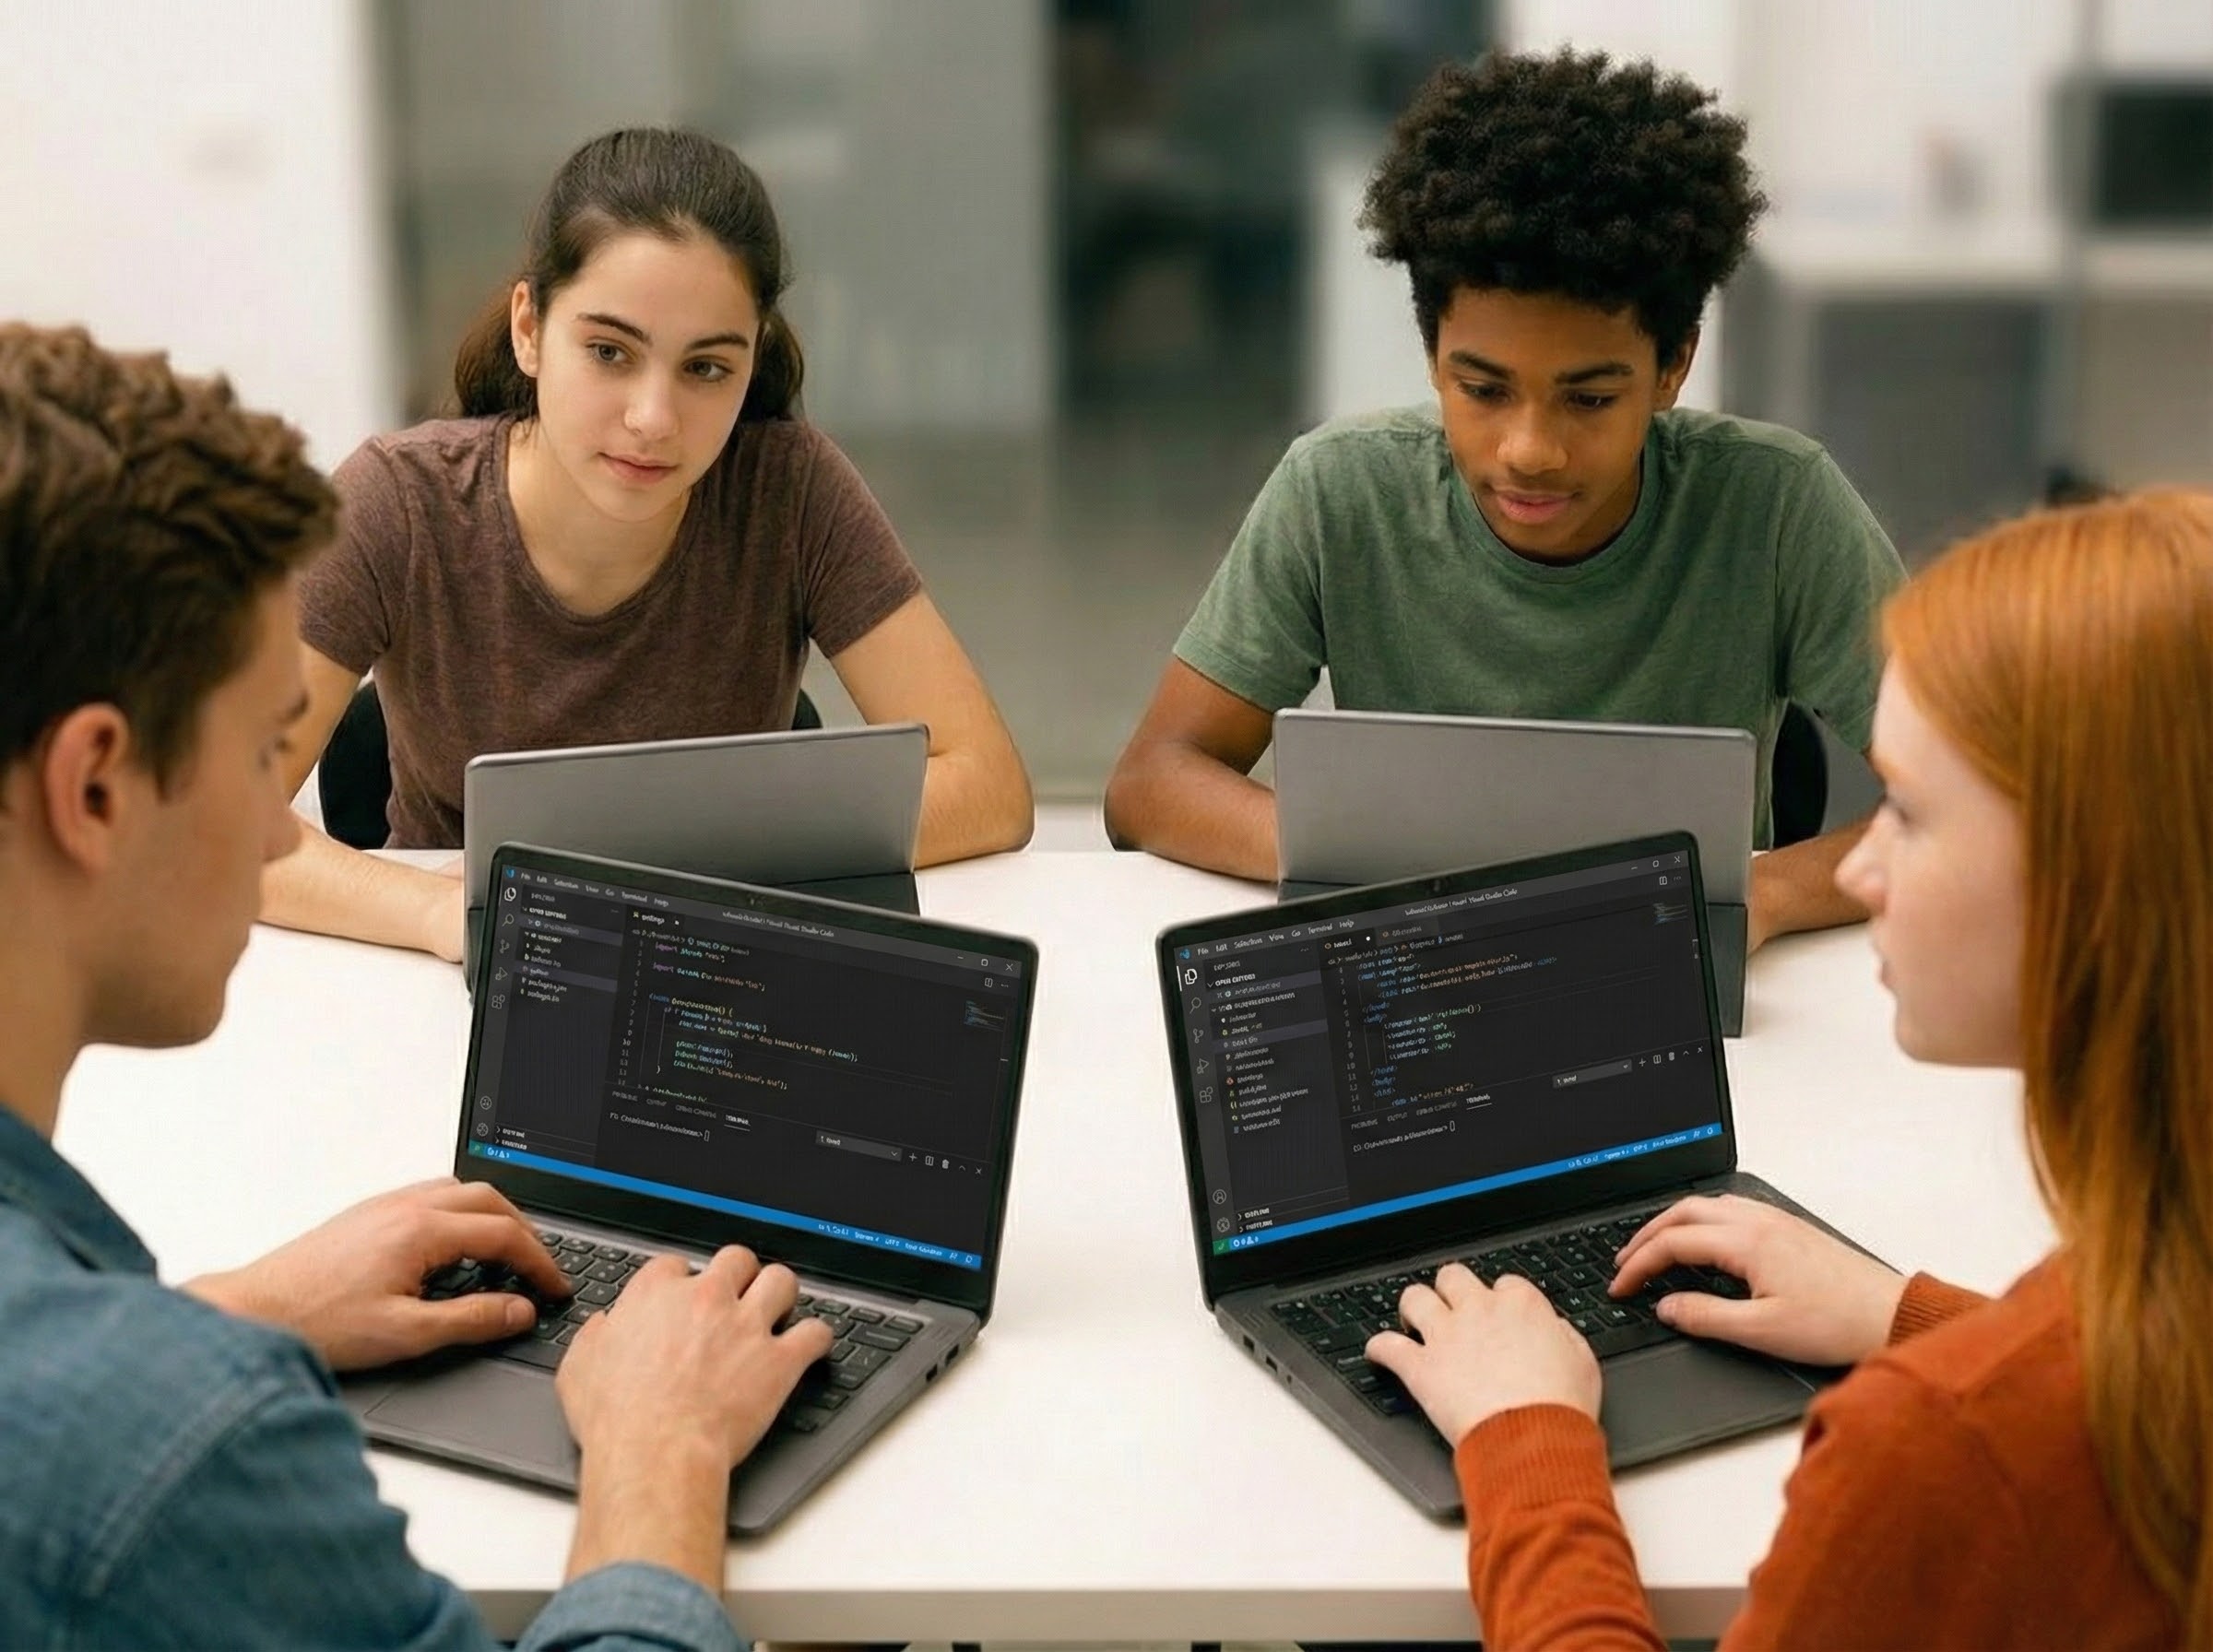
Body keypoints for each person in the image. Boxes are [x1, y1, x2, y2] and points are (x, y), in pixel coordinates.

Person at [0, 323, 831, 1647]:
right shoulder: (182, 1457)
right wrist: (660, 1447)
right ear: (95, 786)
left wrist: (238, 1309)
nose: (278, 832)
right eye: (262, 754)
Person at [1366, 490, 2213, 1647]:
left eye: (1908, 812)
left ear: (2101, 871)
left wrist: (1526, 1436)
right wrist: (1911, 1316)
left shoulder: (1934, 1457)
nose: (1858, 870)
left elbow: (2025, 1435)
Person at [1105, 51, 1903, 952]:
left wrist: (1759, 895)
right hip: (1422, 955)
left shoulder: (1778, 507)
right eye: (1482, 390)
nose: (1529, 451)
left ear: (1672, 365)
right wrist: (1384, 867)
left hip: (1660, 955)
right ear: (1431, 353)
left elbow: (1985, 796)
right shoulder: (1338, 490)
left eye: (1589, 399)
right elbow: (1151, 782)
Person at [266, 127, 1033, 962]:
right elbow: (216, 818)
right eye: (608, 352)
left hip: (701, 967)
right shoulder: (398, 502)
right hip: (455, 965)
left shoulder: (791, 489)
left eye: (706, 369)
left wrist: (619, 881)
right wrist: (442, 915)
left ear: (752, 362)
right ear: (529, 328)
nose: (654, 420)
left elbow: (988, 784)